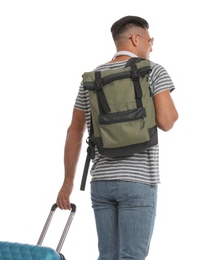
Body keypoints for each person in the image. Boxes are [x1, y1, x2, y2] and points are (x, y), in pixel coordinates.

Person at [56, 15, 178, 260]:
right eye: (149, 39)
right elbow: (167, 121)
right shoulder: (152, 70)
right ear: (135, 39)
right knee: (131, 257)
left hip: (102, 182)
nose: (151, 45)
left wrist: (68, 182)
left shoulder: (92, 79)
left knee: (107, 256)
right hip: (138, 181)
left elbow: (74, 131)